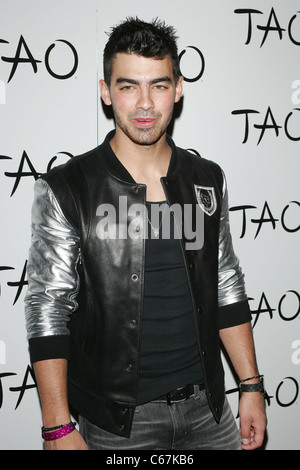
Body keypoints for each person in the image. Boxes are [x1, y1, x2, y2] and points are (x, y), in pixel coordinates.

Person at [24, 17, 266, 450]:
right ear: (105, 90)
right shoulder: (68, 188)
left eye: (158, 85)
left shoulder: (206, 179)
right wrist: (58, 426)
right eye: (128, 85)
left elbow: (225, 283)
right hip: (119, 427)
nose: (145, 104)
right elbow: (48, 306)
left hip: (210, 412)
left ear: (178, 87)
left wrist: (250, 385)